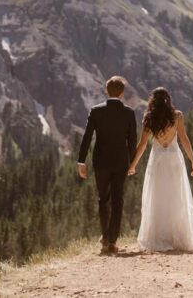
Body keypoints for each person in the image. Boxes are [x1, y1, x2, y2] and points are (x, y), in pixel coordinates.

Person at [127, 87, 193, 252]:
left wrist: (132, 165)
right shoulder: (177, 116)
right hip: (174, 158)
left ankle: (160, 236)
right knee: (176, 196)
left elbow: (143, 145)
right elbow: (184, 139)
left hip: (158, 159)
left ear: (153, 100)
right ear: (168, 99)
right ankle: (176, 237)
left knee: (157, 197)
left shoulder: (149, 117)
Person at [77, 75, 138, 254]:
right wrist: (132, 163)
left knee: (103, 199)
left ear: (106, 91)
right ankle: (112, 241)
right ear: (122, 93)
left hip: (100, 162)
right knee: (117, 201)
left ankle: (104, 237)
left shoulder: (96, 111)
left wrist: (81, 161)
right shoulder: (129, 113)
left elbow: (87, 137)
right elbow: (132, 141)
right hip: (121, 162)